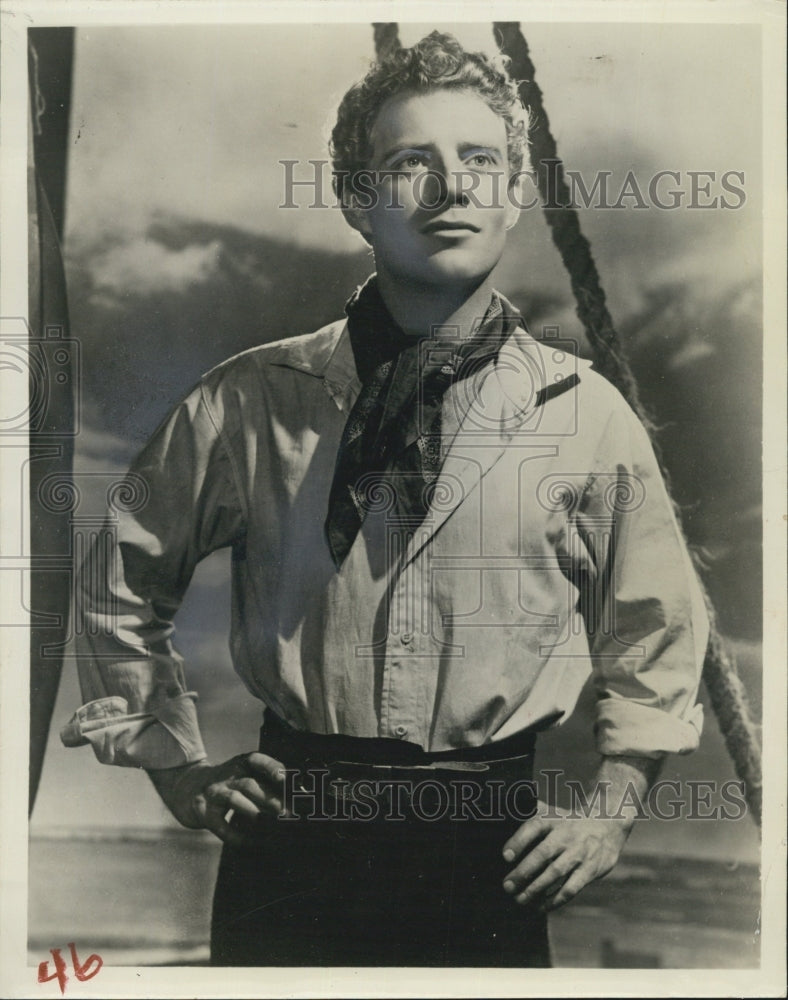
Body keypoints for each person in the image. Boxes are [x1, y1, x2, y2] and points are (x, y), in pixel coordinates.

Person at [61, 32, 709, 967]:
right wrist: (179, 770)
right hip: (290, 850)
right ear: (356, 201)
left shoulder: (585, 414)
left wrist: (610, 809)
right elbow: (116, 578)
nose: (450, 188)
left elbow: (658, 628)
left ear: (514, 193)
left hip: (486, 859)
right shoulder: (249, 400)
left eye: (478, 160)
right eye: (412, 164)